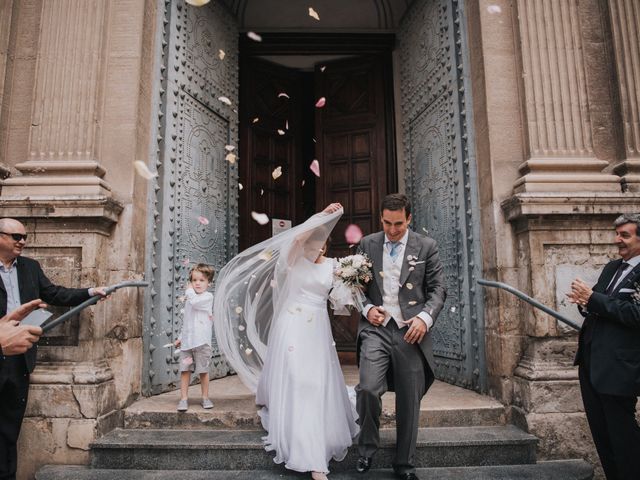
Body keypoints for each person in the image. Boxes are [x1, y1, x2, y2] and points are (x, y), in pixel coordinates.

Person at [213, 203, 358, 480]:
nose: (318, 249)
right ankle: (312, 458)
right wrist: (323, 216)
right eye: (313, 243)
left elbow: (343, 300)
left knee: (314, 382)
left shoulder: (333, 267)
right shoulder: (292, 259)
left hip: (317, 329)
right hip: (292, 324)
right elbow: (295, 238)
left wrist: (352, 285)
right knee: (296, 377)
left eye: (322, 245)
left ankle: (313, 444)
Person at [0, 218, 107, 480]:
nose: (22, 241)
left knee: (9, 429)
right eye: (16, 236)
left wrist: (91, 291)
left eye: (24, 237)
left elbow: (56, 294)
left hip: (18, 360)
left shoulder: (30, 267)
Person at [355, 193, 446, 480]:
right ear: (380, 218)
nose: (392, 230)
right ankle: (367, 450)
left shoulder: (427, 246)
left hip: (410, 331)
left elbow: (438, 289)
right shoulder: (367, 243)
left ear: (409, 219)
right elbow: (354, 286)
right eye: (386, 223)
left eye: (398, 224)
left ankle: (405, 465)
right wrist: (367, 308)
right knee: (368, 388)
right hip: (377, 329)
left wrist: (424, 318)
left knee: (410, 398)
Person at [567, 213, 640, 480]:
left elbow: (636, 314)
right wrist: (583, 301)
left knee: (623, 437)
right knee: (602, 435)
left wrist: (593, 299)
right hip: (591, 362)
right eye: (616, 234)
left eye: (625, 235)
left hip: (620, 367)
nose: (617, 240)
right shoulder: (612, 268)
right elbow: (598, 302)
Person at [175, 263, 215, 411]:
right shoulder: (190, 300)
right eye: (194, 280)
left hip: (202, 342)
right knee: (185, 370)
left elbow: (195, 303)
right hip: (187, 342)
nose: (197, 283)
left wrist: (189, 292)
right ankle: (184, 399)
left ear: (209, 283)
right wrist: (180, 337)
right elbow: (187, 321)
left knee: (203, 371)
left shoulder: (207, 297)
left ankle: (205, 397)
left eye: (202, 280)